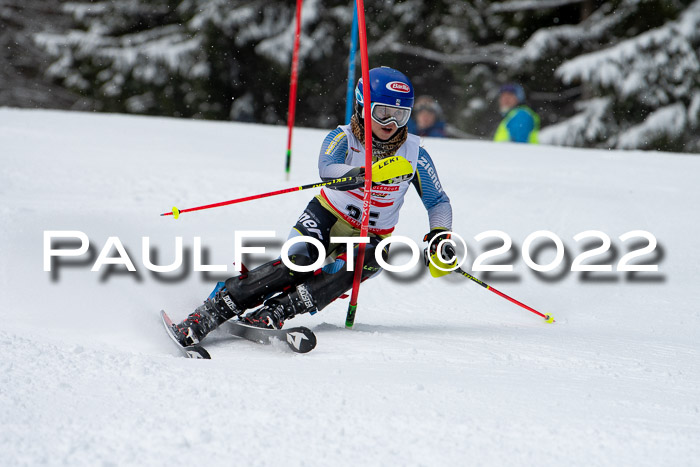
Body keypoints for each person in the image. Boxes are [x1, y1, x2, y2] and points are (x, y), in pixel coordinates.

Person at [170, 67, 454, 346]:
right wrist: (365, 175)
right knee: (301, 262)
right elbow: (327, 168)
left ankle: (277, 311)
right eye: (382, 112)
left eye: (400, 115)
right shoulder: (344, 138)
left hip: (371, 234)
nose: (391, 122)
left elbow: (437, 200)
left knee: (370, 256)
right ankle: (212, 310)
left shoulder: (416, 155)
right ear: (362, 106)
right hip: (327, 216)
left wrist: (440, 234)